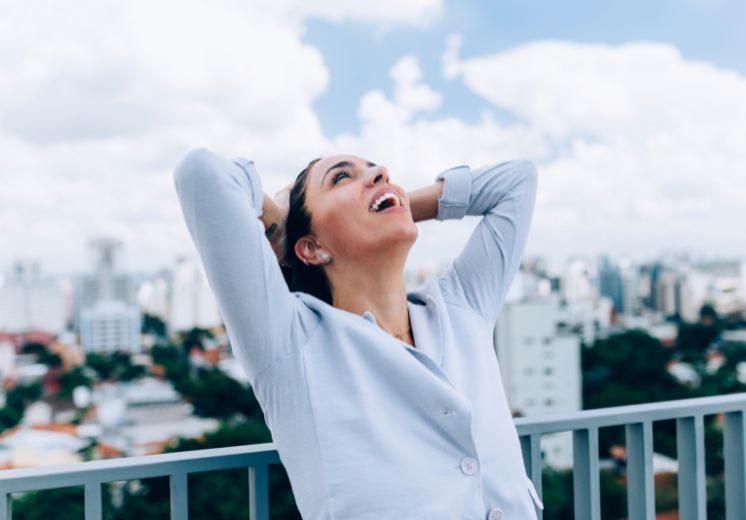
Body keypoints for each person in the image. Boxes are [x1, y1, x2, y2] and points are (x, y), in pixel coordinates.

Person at [174, 149, 542, 520]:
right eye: (340, 177)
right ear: (312, 248)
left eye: (376, 170)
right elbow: (201, 174)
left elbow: (518, 179)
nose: (381, 171)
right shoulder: (292, 345)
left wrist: (393, 203)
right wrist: (280, 226)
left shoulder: (462, 306)